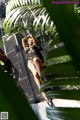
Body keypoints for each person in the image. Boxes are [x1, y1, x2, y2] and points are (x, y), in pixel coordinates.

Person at [22, 34, 53, 106]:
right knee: (35, 74)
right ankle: (44, 94)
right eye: (30, 40)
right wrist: (28, 36)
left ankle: (43, 80)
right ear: (28, 42)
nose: (31, 41)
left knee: (36, 60)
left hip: (37, 59)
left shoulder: (35, 46)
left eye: (32, 40)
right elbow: (23, 40)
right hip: (30, 61)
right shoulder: (26, 48)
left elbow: (34, 41)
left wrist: (32, 36)